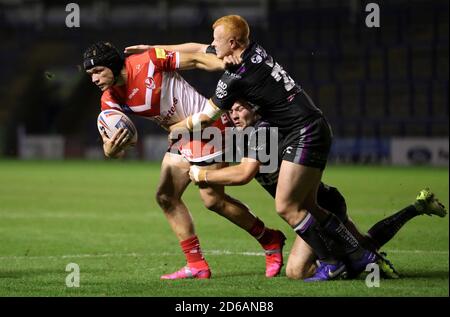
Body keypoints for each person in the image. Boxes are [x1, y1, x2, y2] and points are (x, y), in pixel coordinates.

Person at [127, 15, 383, 280]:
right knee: (305, 208)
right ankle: (358, 254)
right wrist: (151, 51)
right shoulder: (254, 51)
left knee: (287, 211)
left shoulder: (241, 93)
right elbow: (197, 48)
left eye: (217, 40)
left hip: (304, 137)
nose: (212, 44)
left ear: (233, 42)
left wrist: (181, 138)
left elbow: (209, 120)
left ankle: (334, 260)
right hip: (312, 141)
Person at [83, 41, 287, 280]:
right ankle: (196, 264)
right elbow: (113, 150)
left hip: (208, 127)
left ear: (112, 65)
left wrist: (226, 66)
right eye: (90, 74)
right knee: (166, 197)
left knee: (213, 201)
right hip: (182, 136)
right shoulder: (109, 100)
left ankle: (270, 239)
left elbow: (197, 59)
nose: (94, 79)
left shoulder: (149, 61)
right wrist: (109, 149)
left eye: (97, 71)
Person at [188, 100, 448, 280]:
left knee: (297, 272)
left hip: (319, 206)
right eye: (230, 110)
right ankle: (418, 207)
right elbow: (224, 160)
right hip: (310, 208)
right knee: (364, 245)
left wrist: (202, 174)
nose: (234, 115)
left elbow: (243, 174)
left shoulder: (264, 131)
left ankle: (341, 266)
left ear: (254, 109)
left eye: (239, 108)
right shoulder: (244, 137)